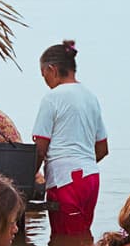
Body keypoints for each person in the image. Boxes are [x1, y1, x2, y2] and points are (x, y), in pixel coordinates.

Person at [32, 40, 108, 235]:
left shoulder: (52, 97)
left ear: (52, 69)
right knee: (82, 236)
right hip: (90, 177)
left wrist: (27, 178)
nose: (45, 81)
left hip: (65, 179)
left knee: (64, 241)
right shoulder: (91, 97)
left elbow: (40, 149)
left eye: (44, 75)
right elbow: (102, 149)